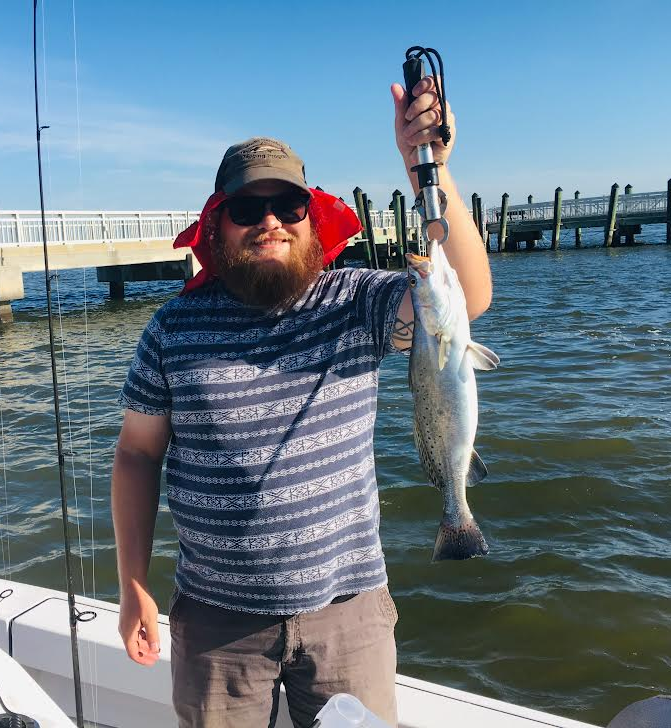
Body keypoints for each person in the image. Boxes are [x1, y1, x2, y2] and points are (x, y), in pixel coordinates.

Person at [111, 77, 492, 728]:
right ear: (218, 224)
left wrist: (431, 172)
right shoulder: (172, 329)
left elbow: (468, 297)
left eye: (287, 206)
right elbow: (137, 456)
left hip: (349, 612)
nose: (269, 223)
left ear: (310, 215)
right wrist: (133, 587)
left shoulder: (354, 303)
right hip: (213, 625)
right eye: (247, 209)